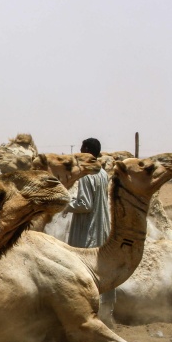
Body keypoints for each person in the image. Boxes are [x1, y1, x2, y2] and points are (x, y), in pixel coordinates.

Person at [66, 137, 114, 325]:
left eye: (81, 148)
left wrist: (65, 204)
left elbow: (85, 204)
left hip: (88, 229)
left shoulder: (87, 174)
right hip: (102, 226)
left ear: (86, 150)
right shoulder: (102, 172)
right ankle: (105, 313)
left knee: (83, 270)